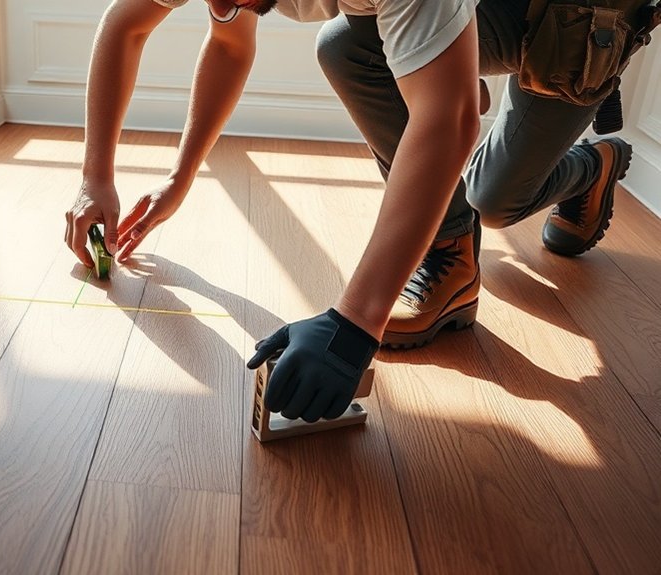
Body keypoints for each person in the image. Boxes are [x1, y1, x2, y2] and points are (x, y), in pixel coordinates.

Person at [64, 0, 632, 423]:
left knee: (495, 198)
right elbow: (148, 28)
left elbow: (450, 120)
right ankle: (451, 252)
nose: (221, 10)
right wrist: (132, 179)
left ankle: (593, 165)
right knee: (345, 45)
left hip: (568, 16)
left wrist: (353, 323)